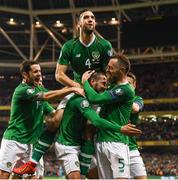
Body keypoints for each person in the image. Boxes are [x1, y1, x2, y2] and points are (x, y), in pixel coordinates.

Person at [12, 72, 141, 179]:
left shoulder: (101, 98)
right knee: (55, 122)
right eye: (103, 82)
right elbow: (96, 120)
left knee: (90, 134)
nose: (105, 85)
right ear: (92, 82)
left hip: (83, 144)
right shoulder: (81, 99)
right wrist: (120, 128)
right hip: (68, 146)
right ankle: (32, 162)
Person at [0, 60, 84, 179]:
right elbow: (47, 96)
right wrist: (72, 89)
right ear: (25, 74)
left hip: (30, 144)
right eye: (35, 72)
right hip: (14, 141)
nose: (39, 74)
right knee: (4, 175)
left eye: (40, 71)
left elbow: (55, 115)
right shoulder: (23, 90)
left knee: (33, 177)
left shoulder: (40, 98)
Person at [82, 53, 135, 179]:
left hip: (117, 142)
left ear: (122, 70)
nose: (107, 70)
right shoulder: (112, 87)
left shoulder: (125, 89)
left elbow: (94, 98)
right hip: (100, 142)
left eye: (111, 68)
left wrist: (85, 83)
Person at [127, 72, 147, 179]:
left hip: (131, 147)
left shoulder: (137, 99)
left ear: (134, 85)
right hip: (115, 145)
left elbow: (135, 108)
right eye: (124, 83)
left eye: (129, 83)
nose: (127, 86)